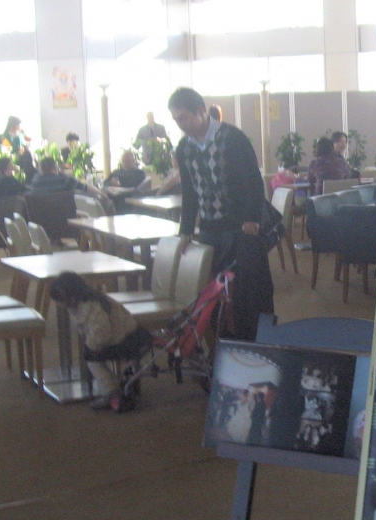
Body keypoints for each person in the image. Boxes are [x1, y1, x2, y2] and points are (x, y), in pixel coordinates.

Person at [170, 86, 273, 341]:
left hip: (240, 228)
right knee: (215, 291)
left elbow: (253, 182)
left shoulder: (232, 138)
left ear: (201, 110)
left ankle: (255, 342)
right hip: (209, 230)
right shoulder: (183, 148)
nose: (181, 125)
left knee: (248, 291)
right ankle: (223, 344)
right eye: (176, 120)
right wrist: (185, 231)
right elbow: (190, 193)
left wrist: (252, 218)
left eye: (184, 118)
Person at [47, 272, 149, 410]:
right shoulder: (85, 300)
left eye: (60, 300)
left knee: (92, 359)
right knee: (92, 355)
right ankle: (112, 388)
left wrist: (90, 346)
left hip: (126, 338)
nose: (59, 304)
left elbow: (102, 331)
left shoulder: (91, 306)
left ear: (70, 296)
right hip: (118, 335)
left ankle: (112, 392)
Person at [28, 156, 102, 196]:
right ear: (55, 168)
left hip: (42, 218)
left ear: (41, 169)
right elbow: (86, 188)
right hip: (65, 217)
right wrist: (102, 194)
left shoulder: (35, 183)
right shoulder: (65, 181)